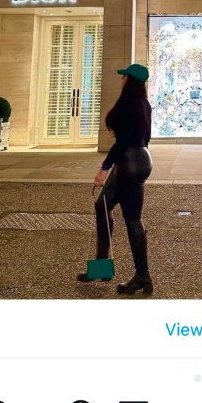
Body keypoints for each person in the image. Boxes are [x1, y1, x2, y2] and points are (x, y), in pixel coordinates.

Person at [77, 63, 154, 295]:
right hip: (137, 159)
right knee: (102, 205)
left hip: (129, 161)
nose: (121, 80)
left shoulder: (130, 104)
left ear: (130, 81)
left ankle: (142, 276)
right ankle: (102, 266)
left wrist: (104, 167)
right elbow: (145, 136)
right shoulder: (143, 104)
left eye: (124, 77)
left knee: (133, 219)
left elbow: (122, 141)